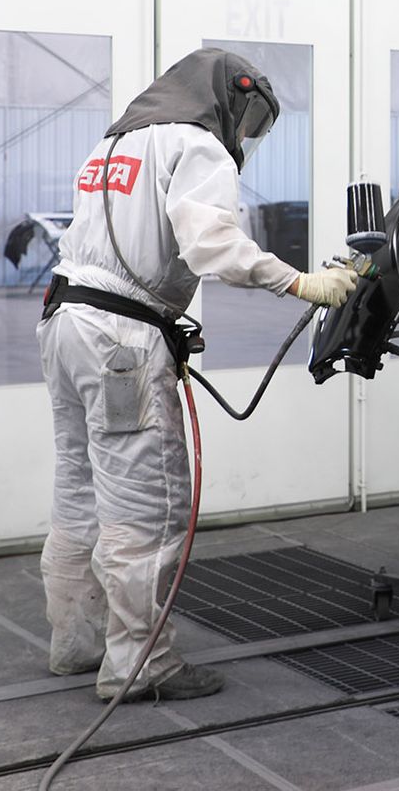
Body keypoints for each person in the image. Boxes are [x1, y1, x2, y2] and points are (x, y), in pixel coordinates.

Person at [37, 48, 356, 702]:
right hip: (120, 343)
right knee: (145, 508)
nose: (245, 137)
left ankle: (75, 642)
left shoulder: (113, 146)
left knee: (79, 491)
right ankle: (139, 665)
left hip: (65, 323)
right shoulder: (197, 145)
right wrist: (301, 282)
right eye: (249, 121)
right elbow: (211, 246)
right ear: (228, 100)